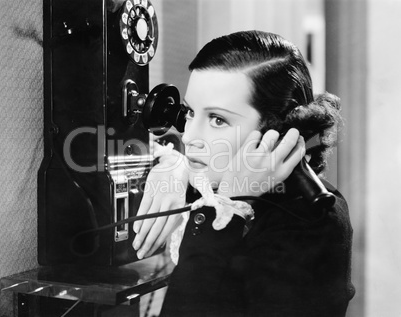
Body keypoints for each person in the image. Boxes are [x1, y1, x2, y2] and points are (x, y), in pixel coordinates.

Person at [133, 30, 354, 316]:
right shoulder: (216, 175)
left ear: (275, 132)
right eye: (189, 112)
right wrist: (174, 167)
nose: (188, 138)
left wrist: (229, 206)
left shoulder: (315, 222)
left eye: (217, 119)